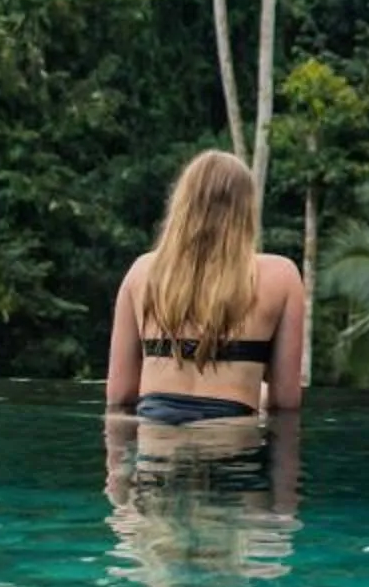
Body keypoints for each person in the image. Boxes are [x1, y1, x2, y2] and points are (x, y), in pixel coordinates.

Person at [104, 149, 306, 425]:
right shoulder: (282, 275)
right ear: (246, 209)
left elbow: (120, 395)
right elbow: (285, 402)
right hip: (232, 440)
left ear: (182, 203)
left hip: (156, 440)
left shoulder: (142, 271)